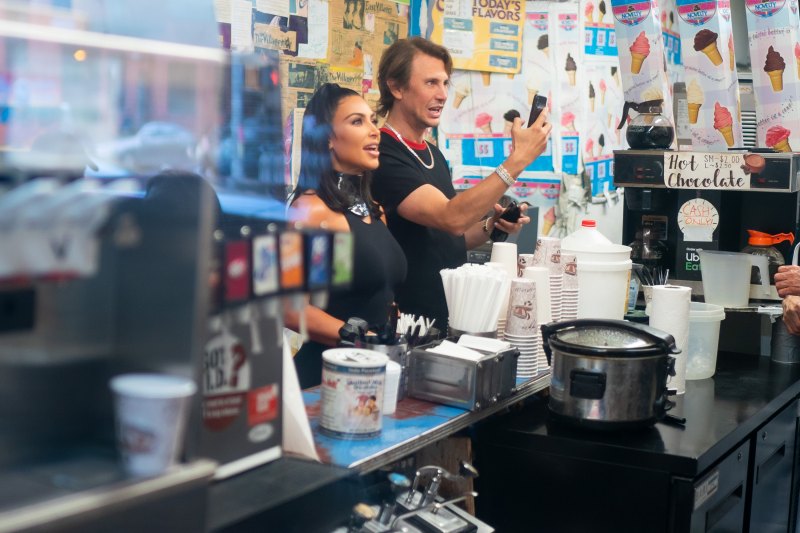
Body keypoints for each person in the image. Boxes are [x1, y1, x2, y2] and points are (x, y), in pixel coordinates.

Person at [371, 37, 552, 328]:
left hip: (448, 320)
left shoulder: (433, 154)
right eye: (431, 83)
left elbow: (450, 237)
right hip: (407, 326)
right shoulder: (382, 152)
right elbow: (451, 218)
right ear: (396, 87)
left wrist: (491, 226)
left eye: (445, 83)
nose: (443, 94)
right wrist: (517, 160)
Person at [286, 83, 407, 388]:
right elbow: (289, 309)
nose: (374, 131)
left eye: (372, 120)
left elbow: (363, 288)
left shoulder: (374, 209)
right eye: (357, 121)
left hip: (373, 372)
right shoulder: (310, 211)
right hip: (324, 378)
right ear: (327, 138)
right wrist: (357, 337)